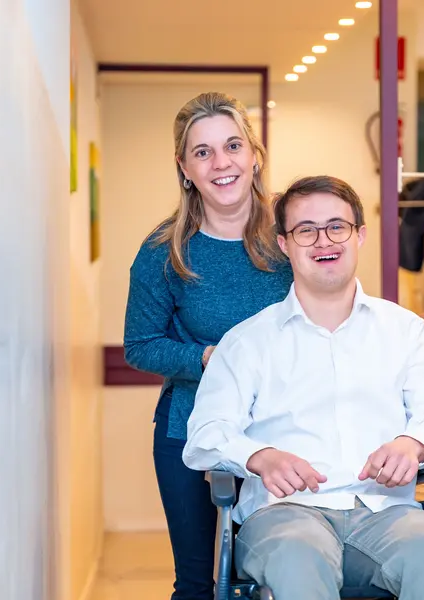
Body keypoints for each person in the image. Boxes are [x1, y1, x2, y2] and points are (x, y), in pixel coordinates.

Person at [183, 175, 424, 600]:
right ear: (284, 243)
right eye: (306, 230)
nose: (324, 241)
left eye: (337, 226)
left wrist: (412, 444)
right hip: (284, 517)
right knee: (298, 559)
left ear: (360, 235)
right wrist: (259, 456)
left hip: (387, 512)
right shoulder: (247, 342)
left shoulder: (406, 330)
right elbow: (205, 435)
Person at [123, 92, 293, 600]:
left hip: (286, 431)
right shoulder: (163, 251)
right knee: (202, 584)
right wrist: (206, 358)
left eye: (233, 145)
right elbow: (141, 345)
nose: (221, 163)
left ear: (254, 154)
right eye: (203, 152)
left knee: (280, 576)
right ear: (184, 167)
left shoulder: (290, 235)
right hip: (190, 436)